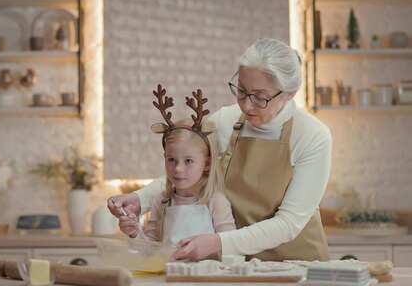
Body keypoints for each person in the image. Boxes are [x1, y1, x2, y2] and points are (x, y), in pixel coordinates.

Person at [108, 38, 332, 262]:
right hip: (238, 263)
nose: (246, 105)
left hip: (298, 265)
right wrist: (140, 199)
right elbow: (186, 167)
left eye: (260, 97)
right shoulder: (227, 120)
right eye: (241, 91)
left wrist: (218, 243)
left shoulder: (312, 136)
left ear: (289, 93)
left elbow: (288, 224)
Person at [110, 85, 236, 247]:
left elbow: (229, 247)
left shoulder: (215, 202)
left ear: (207, 163)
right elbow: (149, 253)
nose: (178, 169)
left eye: (188, 161)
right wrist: (135, 232)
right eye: (171, 160)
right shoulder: (161, 202)